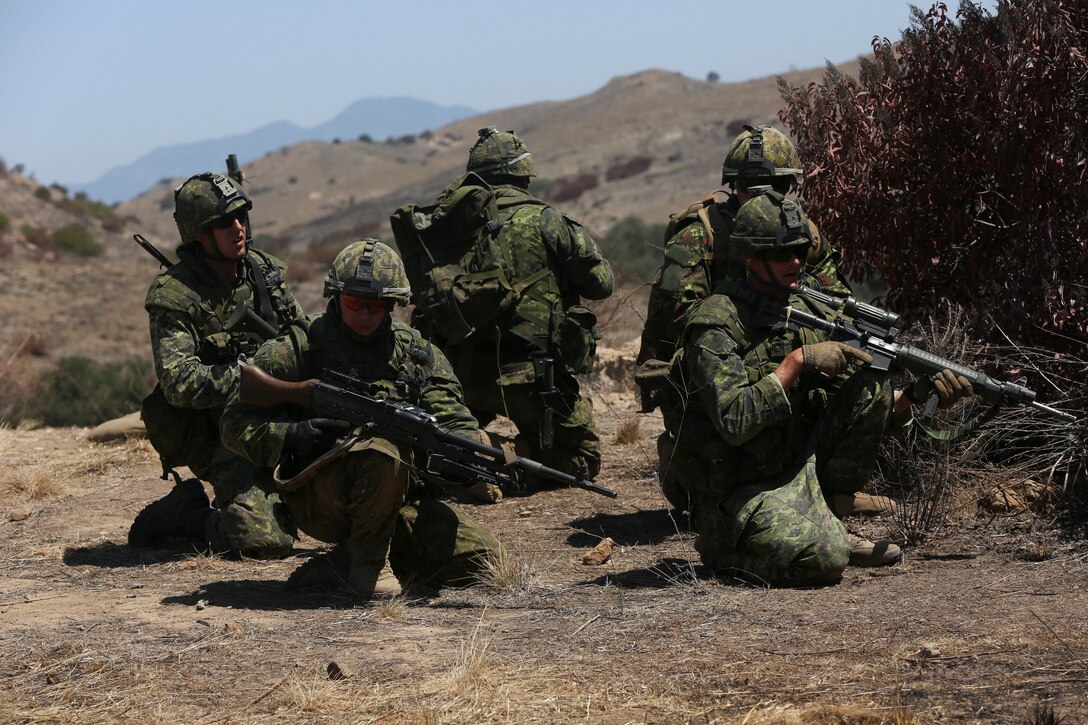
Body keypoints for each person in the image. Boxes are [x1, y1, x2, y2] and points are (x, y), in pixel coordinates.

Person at [669, 192, 972, 586]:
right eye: (782, 254)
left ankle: (829, 515)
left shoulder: (812, 309)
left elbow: (854, 414)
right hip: (736, 493)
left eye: (800, 250)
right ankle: (725, 550)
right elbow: (734, 420)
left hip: (799, 472)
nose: (796, 262)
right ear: (750, 257)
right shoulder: (716, 323)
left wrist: (913, 398)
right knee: (826, 561)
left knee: (873, 384)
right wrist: (796, 363)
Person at [220, 240, 506, 598]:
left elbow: (453, 418)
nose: (366, 314)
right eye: (356, 303)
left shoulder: (417, 355)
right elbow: (232, 422)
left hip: (398, 498)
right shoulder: (301, 346)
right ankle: (368, 570)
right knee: (382, 450)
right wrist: (291, 433)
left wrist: (459, 459)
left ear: (392, 304)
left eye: (378, 305)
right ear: (335, 296)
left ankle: (339, 564)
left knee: (485, 560)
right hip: (319, 499)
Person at [637, 125, 882, 518]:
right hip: (716, 371)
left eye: (775, 186)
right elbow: (671, 327)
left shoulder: (801, 233)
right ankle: (686, 470)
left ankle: (829, 490)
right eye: (751, 186)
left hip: (782, 359)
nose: (764, 195)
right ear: (733, 186)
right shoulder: (700, 235)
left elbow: (833, 305)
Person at [418, 128, 615, 495]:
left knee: (448, 435)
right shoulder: (545, 221)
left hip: (458, 374)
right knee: (582, 460)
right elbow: (601, 285)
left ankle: (461, 448)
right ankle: (492, 452)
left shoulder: (446, 227)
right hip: (528, 378)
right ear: (524, 175)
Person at [128, 172, 304, 559]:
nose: (238, 228)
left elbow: (302, 337)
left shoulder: (264, 271)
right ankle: (188, 514)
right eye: (224, 222)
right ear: (199, 234)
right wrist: (255, 380)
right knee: (262, 543)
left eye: (241, 216)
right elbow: (179, 384)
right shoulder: (175, 296)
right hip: (222, 434)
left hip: (282, 420)